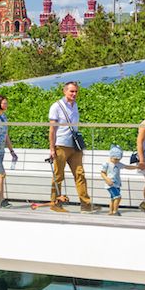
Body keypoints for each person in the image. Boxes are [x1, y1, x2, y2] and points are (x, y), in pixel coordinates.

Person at [48, 81, 94, 213]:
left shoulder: (75, 106)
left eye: (76, 91)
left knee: (80, 174)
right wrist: (52, 148)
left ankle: (85, 204)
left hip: (75, 145)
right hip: (61, 145)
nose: (74, 94)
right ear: (65, 91)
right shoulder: (56, 106)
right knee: (58, 175)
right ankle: (55, 203)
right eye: (71, 91)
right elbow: (52, 129)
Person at [101, 145, 125, 216]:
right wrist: (107, 179)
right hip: (110, 184)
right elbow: (102, 173)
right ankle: (115, 211)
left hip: (117, 184)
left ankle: (111, 211)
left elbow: (127, 166)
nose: (116, 161)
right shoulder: (107, 164)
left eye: (118, 159)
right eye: (115, 159)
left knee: (113, 198)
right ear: (111, 157)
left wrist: (137, 167)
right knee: (118, 197)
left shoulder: (118, 164)